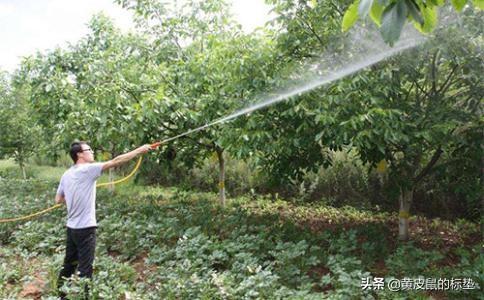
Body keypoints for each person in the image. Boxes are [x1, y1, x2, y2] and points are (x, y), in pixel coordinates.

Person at [55, 141, 151, 299]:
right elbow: (116, 161)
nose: (92, 152)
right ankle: (85, 296)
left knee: (69, 265)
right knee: (86, 269)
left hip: (71, 229)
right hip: (86, 229)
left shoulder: (67, 174)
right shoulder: (87, 169)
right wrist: (140, 150)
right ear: (79, 154)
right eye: (89, 150)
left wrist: (75, 194)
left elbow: (58, 199)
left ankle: (60, 295)